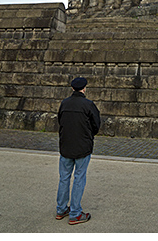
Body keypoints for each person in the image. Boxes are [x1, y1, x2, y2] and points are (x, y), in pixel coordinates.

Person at [56, 77, 101, 225]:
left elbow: (60, 121)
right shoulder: (88, 105)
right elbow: (96, 125)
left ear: (72, 88)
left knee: (64, 178)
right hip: (82, 146)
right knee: (79, 178)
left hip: (66, 146)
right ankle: (75, 213)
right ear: (84, 88)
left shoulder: (64, 103)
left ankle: (61, 209)